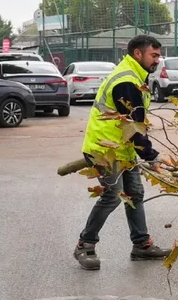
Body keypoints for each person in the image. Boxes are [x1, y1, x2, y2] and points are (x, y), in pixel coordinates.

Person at [73, 34, 170, 270]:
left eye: (158, 55)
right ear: (138, 53)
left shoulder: (134, 75)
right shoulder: (127, 81)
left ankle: (141, 245)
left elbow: (133, 125)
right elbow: (133, 126)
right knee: (112, 196)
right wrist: (151, 156)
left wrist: (144, 152)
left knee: (134, 194)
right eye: (153, 55)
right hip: (104, 150)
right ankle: (85, 245)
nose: (158, 60)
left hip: (121, 149)